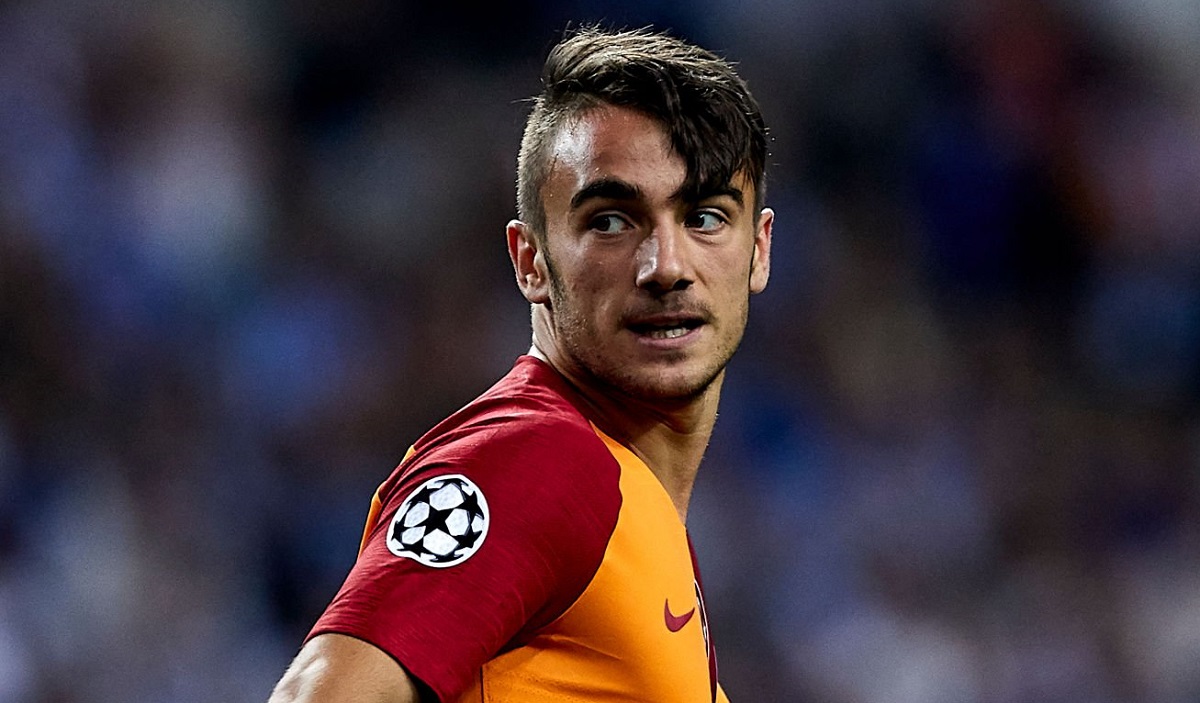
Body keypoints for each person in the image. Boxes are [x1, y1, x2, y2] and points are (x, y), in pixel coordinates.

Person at [268, 25, 773, 703]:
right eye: (611, 221)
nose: (667, 266)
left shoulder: (635, 514)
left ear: (758, 249)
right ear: (530, 261)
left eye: (705, 217)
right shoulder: (539, 459)